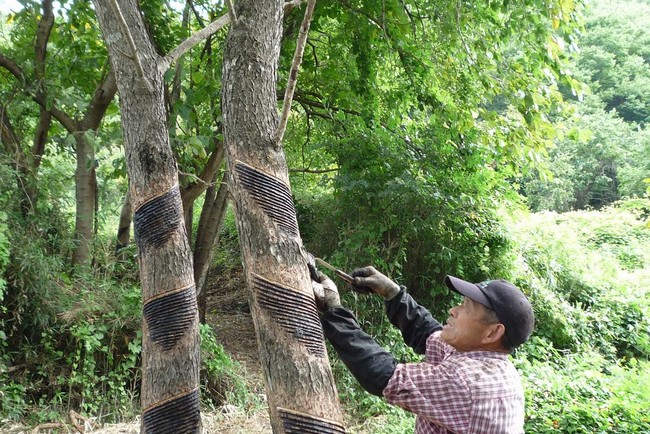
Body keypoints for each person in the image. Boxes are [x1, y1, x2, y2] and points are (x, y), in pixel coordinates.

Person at [311, 265, 534, 434]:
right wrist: (392, 292)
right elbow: (427, 333)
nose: (453, 309)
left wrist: (334, 310)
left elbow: (384, 376)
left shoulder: (470, 383)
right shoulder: (478, 356)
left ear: (492, 333)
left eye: (467, 307)